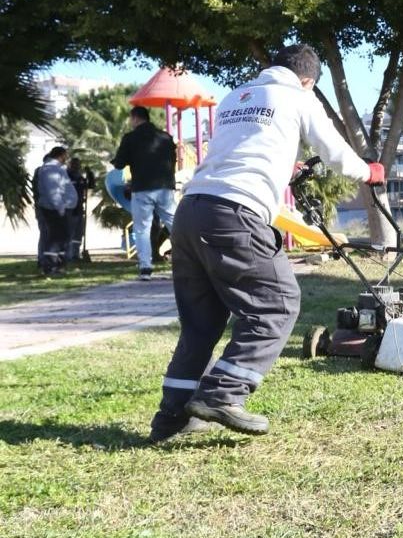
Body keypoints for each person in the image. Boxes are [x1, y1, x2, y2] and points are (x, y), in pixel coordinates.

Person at [149, 44, 384, 443]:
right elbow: (335, 153)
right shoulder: (298, 96)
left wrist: (284, 164)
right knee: (278, 304)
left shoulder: (235, 97)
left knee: (201, 323)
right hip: (234, 212)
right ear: (307, 80)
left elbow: (244, 148)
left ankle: (171, 417)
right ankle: (223, 394)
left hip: (191, 211)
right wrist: (369, 172)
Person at [112, 105, 178, 280]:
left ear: (135, 118)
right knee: (175, 224)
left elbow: (119, 164)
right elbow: (173, 159)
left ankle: (145, 268)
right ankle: (190, 261)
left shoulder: (130, 138)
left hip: (142, 188)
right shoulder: (165, 137)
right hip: (164, 187)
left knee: (142, 228)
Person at [32, 147, 78, 276]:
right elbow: (53, 191)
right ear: (61, 155)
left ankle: (59, 265)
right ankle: (50, 266)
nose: (66, 158)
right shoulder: (50, 169)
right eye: (65, 155)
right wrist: (60, 208)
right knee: (55, 238)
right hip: (55, 209)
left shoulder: (57, 168)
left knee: (63, 237)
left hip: (61, 208)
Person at [66, 157, 94, 263]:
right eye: (74, 164)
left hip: (79, 208)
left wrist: (89, 174)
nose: (76, 167)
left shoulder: (80, 177)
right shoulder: (66, 176)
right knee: (70, 232)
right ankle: (68, 255)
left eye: (78, 164)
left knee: (78, 233)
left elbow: (90, 185)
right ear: (70, 165)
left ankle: (75, 254)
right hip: (69, 208)